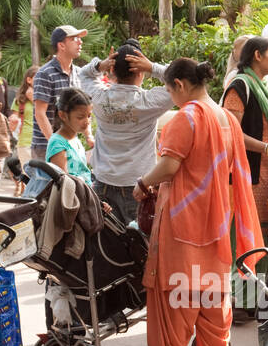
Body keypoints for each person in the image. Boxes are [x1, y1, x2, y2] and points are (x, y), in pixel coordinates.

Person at [132, 58, 261, 346]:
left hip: (183, 220)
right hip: (217, 220)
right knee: (212, 293)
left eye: (168, 88)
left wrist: (144, 183)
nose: (170, 95)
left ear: (179, 85)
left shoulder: (185, 117)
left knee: (177, 292)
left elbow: (169, 167)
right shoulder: (225, 119)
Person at [77, 42, 175, 225]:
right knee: (136, 247)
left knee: (102, 244)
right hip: (137, 187)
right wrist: (153, 67)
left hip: (102, 184)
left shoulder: (99, 97)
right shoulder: (149, 102)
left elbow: (83, 74)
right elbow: (180, 81)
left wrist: (101, 66)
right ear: (141, 71)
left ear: (112, 71)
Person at [222, 36, 268, 244]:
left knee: (267, 239)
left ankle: (264, 276)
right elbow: (232, 134)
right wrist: (267, 147)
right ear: (257, 55)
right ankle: (247, 277)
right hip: (248, 176)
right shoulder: (239, 86)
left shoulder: (262, 86)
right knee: (249, 241)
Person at [29, 26, 86, 188]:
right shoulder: (45, 73)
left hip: (71, 144)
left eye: (80, 38)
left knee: (67, 198)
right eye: (74, 39)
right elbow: (40, 113)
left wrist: (87, 136)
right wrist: (56, 143)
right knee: (45, 200)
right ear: (61, 45)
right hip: (45, 146)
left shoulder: (78, 73)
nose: (80, 42)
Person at [45, 88, 94, 183]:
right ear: (62, 115)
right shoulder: (58, 143)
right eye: (80, 117)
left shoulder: (74, 138)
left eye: (89, 116)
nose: (87, 121)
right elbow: (63, 184)